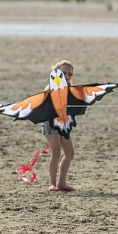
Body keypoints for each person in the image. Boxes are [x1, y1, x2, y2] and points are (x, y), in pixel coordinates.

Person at [43, 60, 76, 192]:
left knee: (70, 153)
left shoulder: (70, 89)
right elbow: (44, 95)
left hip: (63, 122)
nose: (67, 75)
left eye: (70, 74)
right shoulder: (51, 86)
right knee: (56, 152)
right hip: (50, 122)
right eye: (63, 73)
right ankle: (52, 183)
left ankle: (62, 183)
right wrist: (51, 89)